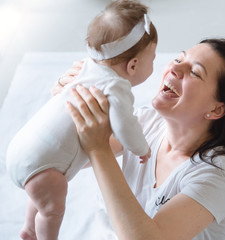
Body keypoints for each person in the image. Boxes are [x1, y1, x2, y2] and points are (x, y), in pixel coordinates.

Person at [63, 38, 225, 239]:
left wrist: (99, 149)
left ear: (216, 109)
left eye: (195, 72)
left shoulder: (219, 176)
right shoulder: (146, 121)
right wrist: (65, 101)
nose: (175, 68)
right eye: (178, 59)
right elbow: (71, 157)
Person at [6, 1, 157, 239]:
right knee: (52, 210)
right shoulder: (116, 87)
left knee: (38, 193)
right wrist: (142, 148)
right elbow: (125, 127)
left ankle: (28, 229)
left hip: (22, 149)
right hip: (44, 167)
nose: (154, 62)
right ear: (133, 65)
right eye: (153, 57)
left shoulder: (86, 66)